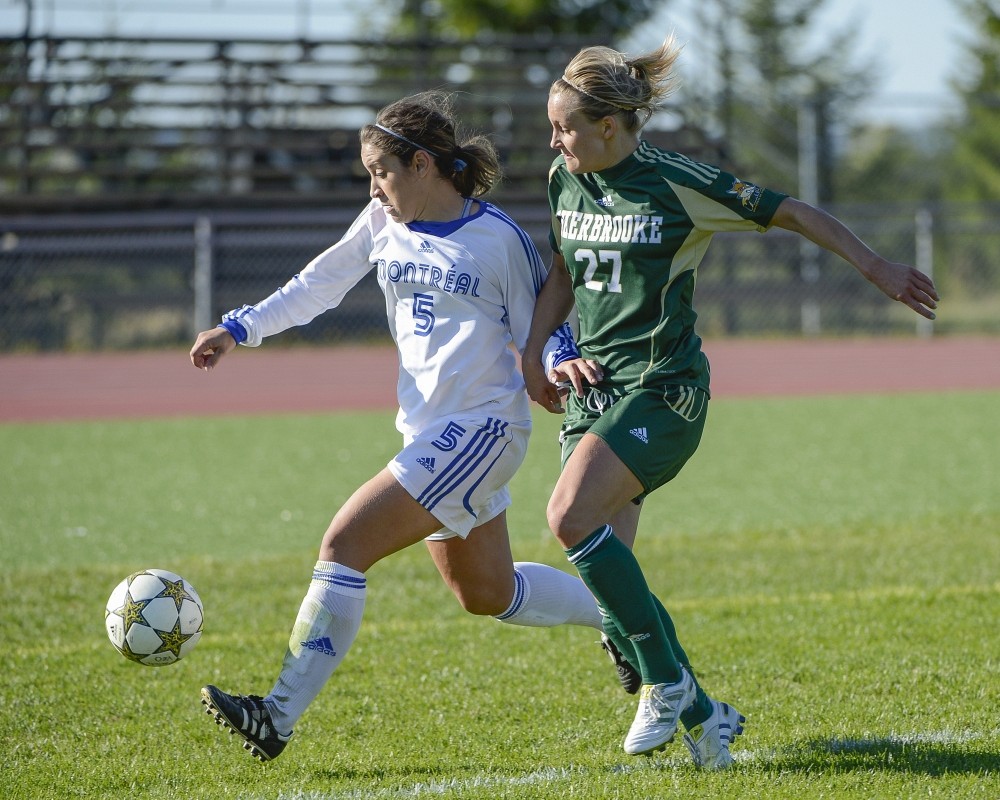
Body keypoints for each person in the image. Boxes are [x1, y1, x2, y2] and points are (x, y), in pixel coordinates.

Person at [520, 40, 940, 770]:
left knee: (566, 517)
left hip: (665, 390)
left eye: (565, 127)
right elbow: (562, 271)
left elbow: (793, 212)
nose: (554, 141)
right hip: (594, 396)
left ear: (611, 126)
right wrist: (535, 353)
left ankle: (662, 680)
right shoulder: (567, 178)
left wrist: (876, 267)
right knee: (611, 577)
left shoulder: (676, 182)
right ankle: (708, 720)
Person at [189, 91, 614, 763]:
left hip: (483, 431)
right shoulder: (381, 221)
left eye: (380, 172)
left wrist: (560, 364)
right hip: (431, 435)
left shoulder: (495, 238)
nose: (373, 187)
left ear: (422, 165)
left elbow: (542, 321)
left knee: (344, 543)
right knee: (488, 593)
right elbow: (318, 283)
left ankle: (276, 714)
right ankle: (620, 616)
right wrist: (241, 326)